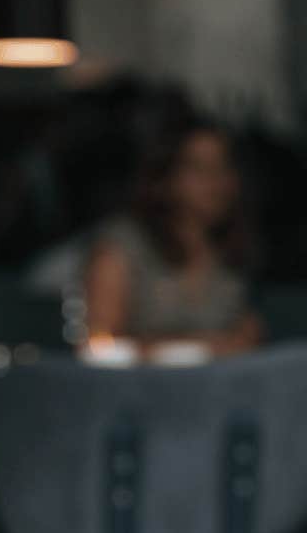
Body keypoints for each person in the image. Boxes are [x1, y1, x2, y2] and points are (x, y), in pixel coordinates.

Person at [83, 111, 263, 355]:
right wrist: (202, 348)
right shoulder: (122, 248)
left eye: (223, 166)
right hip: (137, 387)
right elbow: (99, 346)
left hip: (215, 387)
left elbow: (245, 334)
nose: (215, 181)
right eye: (198, 168)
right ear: (165, 178)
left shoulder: (229, 250)